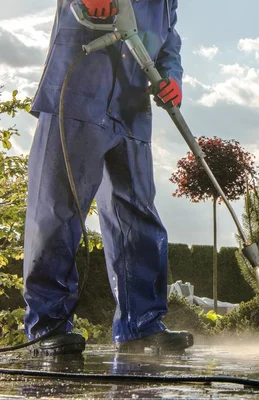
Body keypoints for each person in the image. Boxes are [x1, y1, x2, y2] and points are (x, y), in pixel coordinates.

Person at [22, 0, 193, 356]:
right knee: (57, 209)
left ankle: (141, 325)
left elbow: (169, 37)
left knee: (137, 216)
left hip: (131, 109)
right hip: (78, 94)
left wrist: (171, 76)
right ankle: (47, 327)